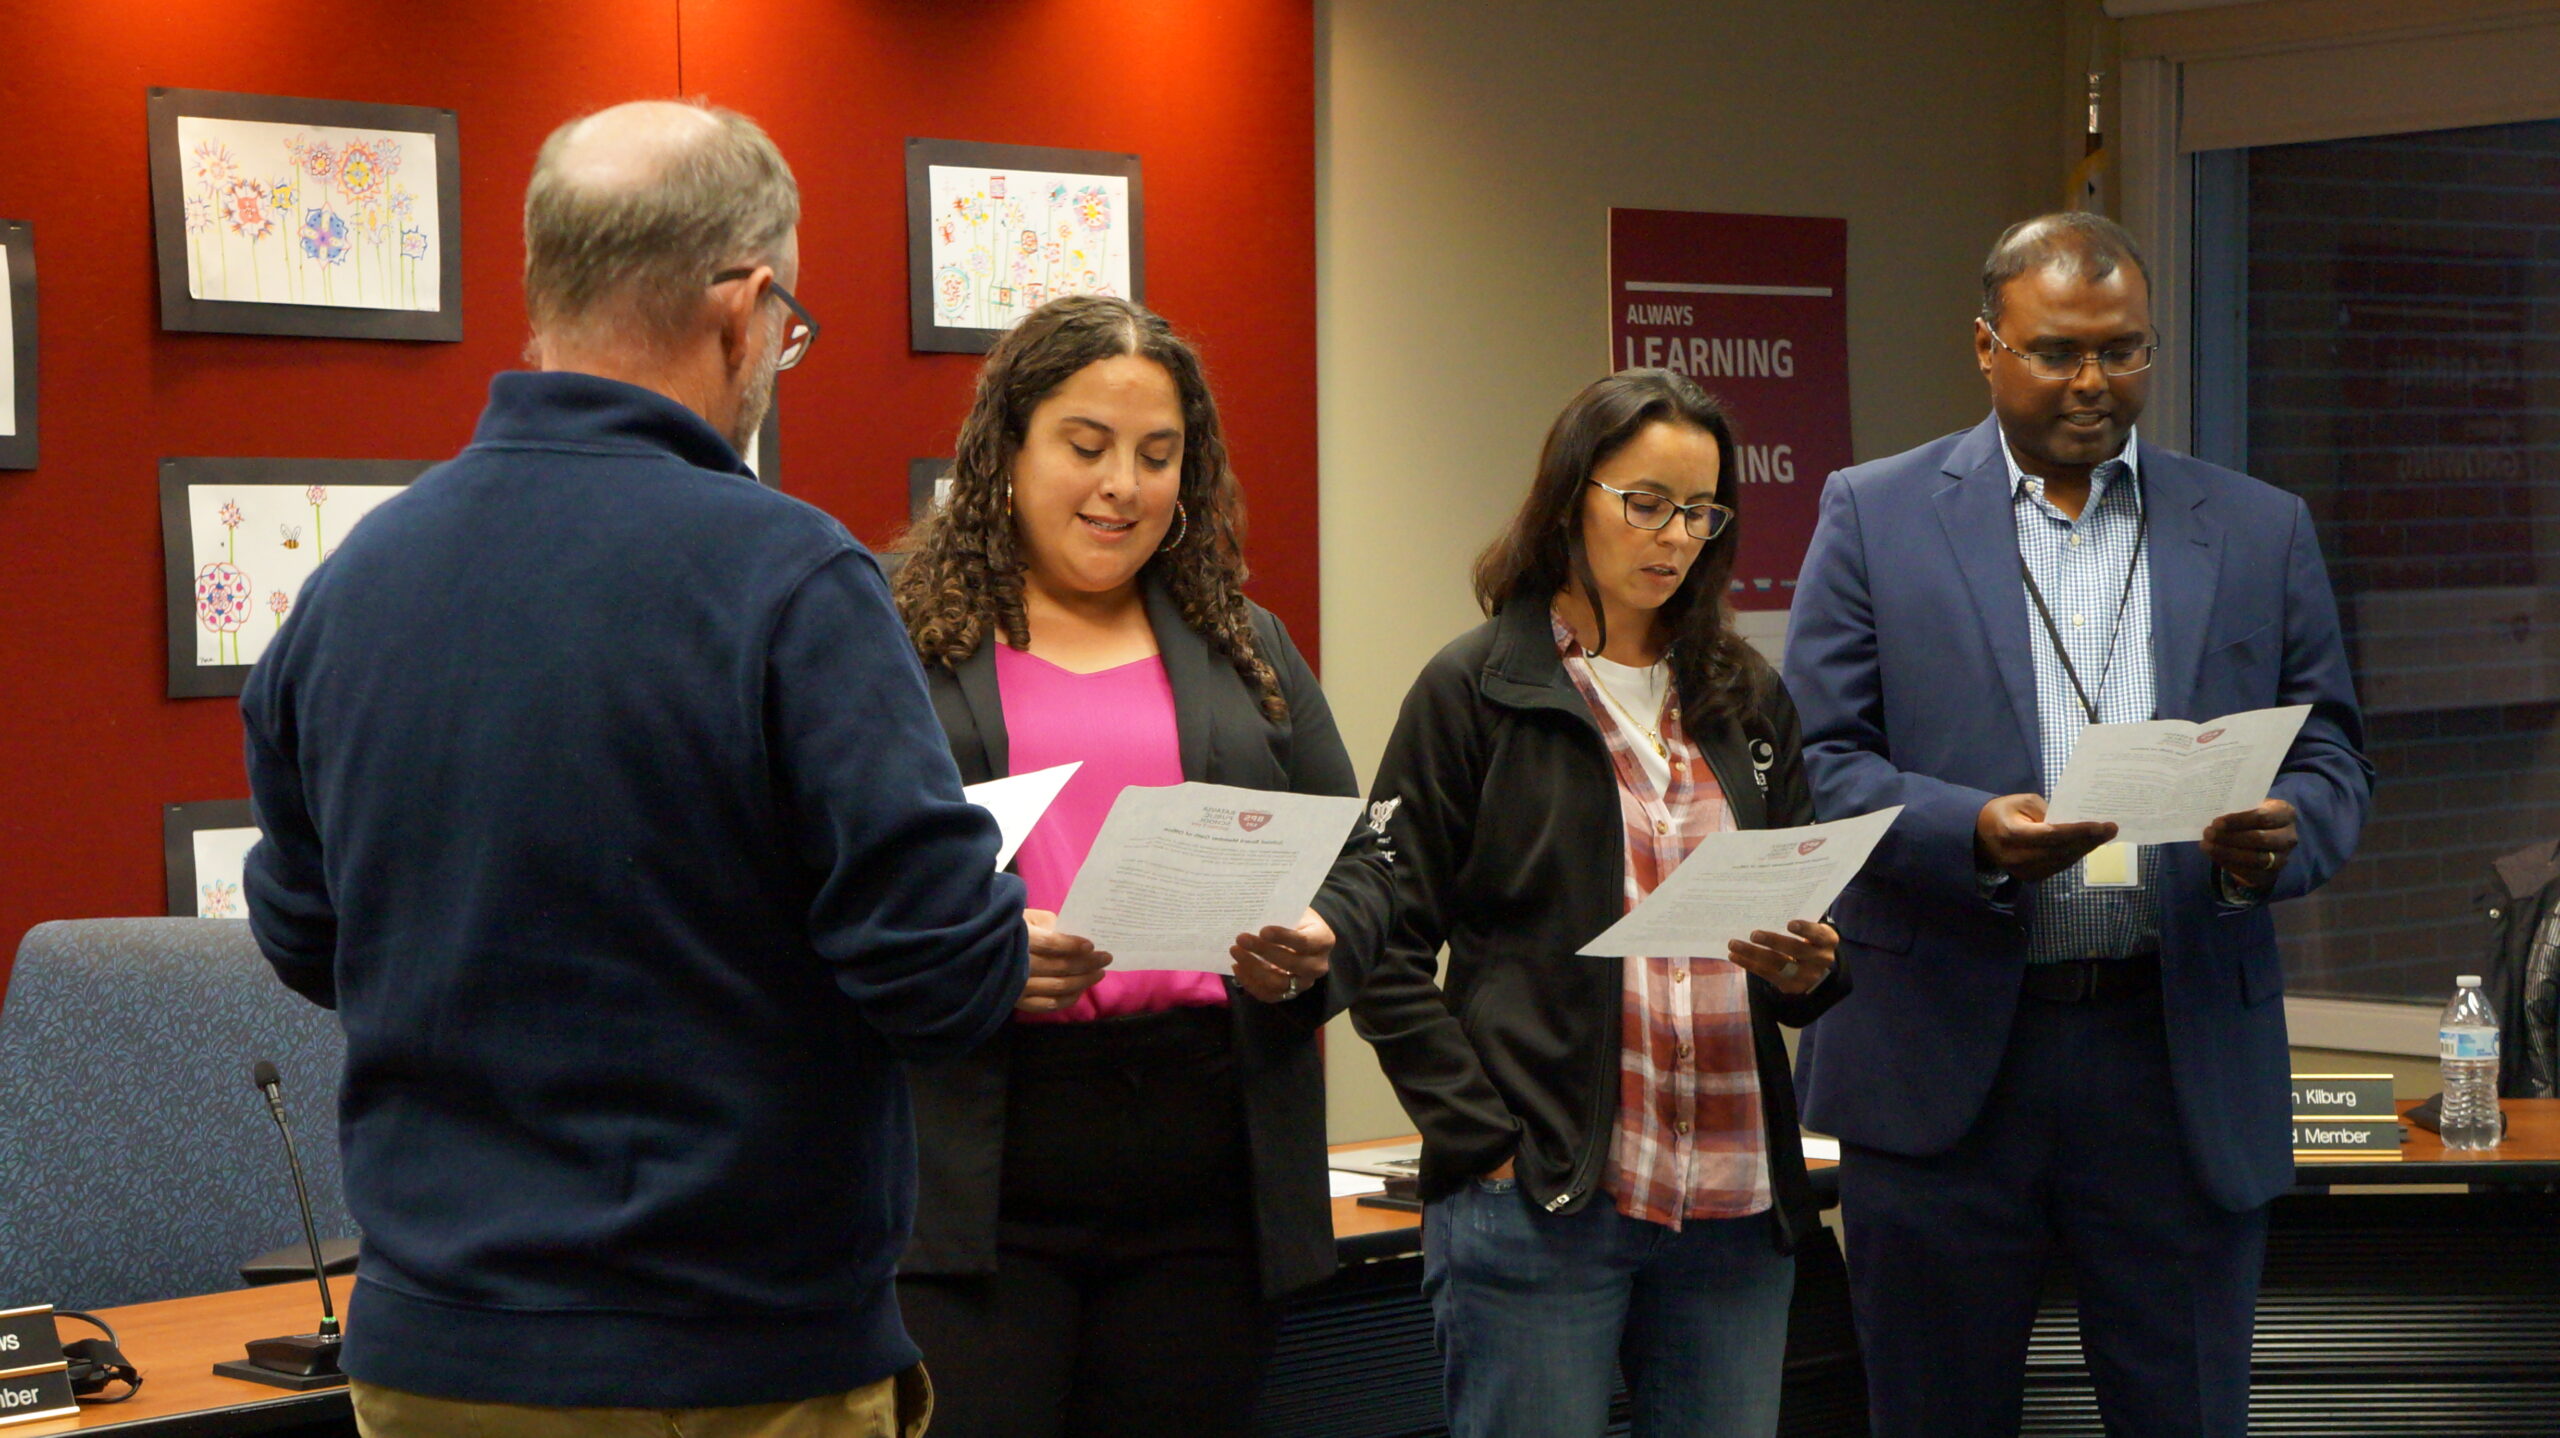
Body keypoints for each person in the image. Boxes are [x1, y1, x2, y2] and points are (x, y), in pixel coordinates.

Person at [241, 100, 1027, 1438]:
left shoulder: (352, 587)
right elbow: (941, 973)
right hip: (733, 1361)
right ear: (748, 305)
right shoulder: (794, 581)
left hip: (433, 1358)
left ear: (549, 285)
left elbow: (308, 935)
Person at [1782, 212, 2373, 1436]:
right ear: (1986, 347)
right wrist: (1970, 834)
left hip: (2173, 1053)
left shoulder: (2259, 526)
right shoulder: (1873, 514)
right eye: (2057, 352)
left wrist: (2280, 836)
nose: (2095, 382)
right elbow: (1815, 764)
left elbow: (2329, 754)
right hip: (1945, 1062)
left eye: (2123, 349)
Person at [887, 294, 1392, 1438]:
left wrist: (1317, 943)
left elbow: (1366, 861)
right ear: (1006, 448)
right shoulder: (893, 632)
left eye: (1157, 456)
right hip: (972, 1172)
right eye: (1086, 445)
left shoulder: (1243, 644)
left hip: (1205, 1176)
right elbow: (813, 880)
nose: (1122, 484)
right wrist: (975, 954)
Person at [1349, 369, 1847, 1438]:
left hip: (1729, 1197)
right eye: (1647, 503)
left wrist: (1811, 963)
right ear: (1573, 495)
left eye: (1703, 512)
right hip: (1539, 1199)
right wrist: (1482, 1137)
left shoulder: (1746, 697)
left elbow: (1808, 915)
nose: (1677, 537)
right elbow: (1380, 941)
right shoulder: (1475, 688)